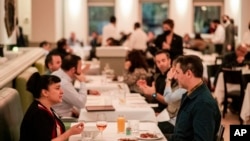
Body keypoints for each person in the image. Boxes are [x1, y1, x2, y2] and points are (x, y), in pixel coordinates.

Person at [20, 72, 84, 141]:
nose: (62, 92)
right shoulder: (38, 114)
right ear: (45, 92)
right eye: (57, 88)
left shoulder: (46, 108)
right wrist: (69, 133)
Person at [170, 55, 221, 141]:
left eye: (178, 72)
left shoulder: (204, 104)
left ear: (189, 74)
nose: (175, 77)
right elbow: (180, 135)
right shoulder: (189, 94)